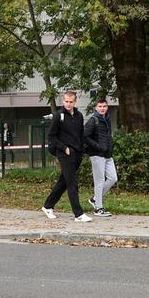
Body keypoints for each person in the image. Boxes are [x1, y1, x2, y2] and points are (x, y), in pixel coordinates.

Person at [41, 91, 91, 223]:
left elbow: (81, 134)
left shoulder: (79, 116)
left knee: (64, 181)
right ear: (63, 101)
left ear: (75, 102)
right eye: (66, 101)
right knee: (72, 183)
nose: (68, 104)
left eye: (71, 102)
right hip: (64, 153)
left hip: (77, 153)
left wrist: (82, 150)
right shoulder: (58, 116)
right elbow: (51, 136)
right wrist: (64, 148)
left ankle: (47, 206)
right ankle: (78, 214)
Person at [86, 98, 118, 217]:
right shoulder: (93, 120)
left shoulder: (107, 119)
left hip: (108, 154)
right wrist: (98, 147)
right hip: (96, 155)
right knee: (99, 182)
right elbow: (85, 136)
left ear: (107, 107)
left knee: (113, 178)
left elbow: (108, 136)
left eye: (104, 106)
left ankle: (95, 199)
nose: (102, 108)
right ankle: (98, 208)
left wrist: (108, 148)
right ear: (96, 107)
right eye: (100, 106)